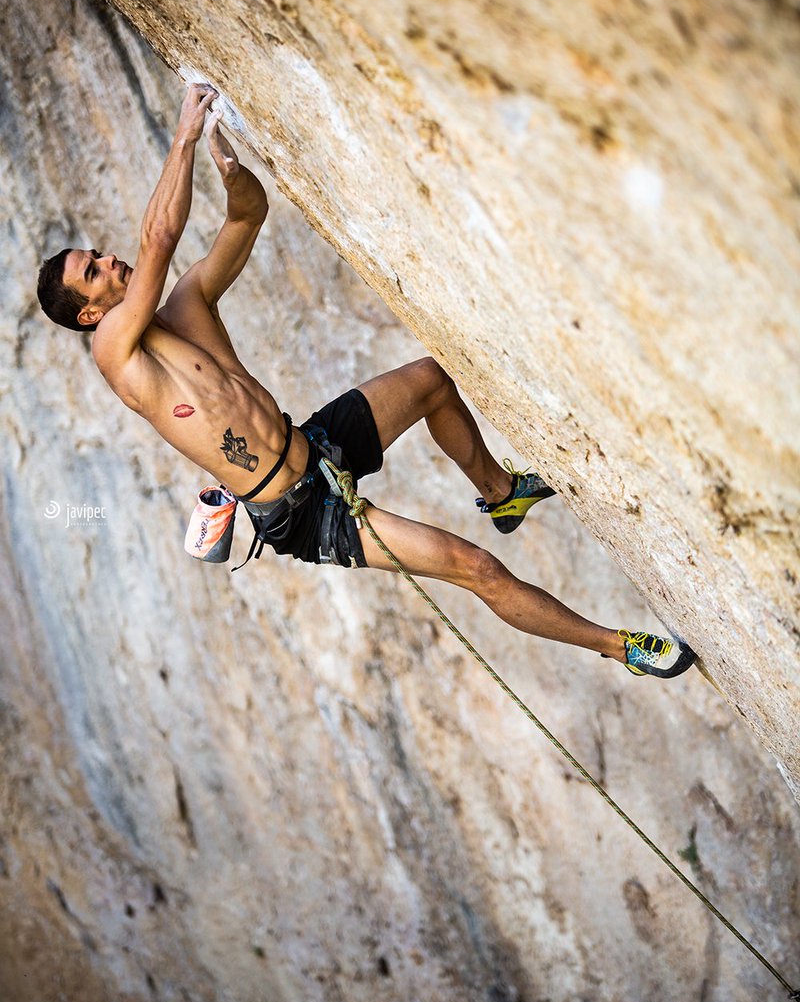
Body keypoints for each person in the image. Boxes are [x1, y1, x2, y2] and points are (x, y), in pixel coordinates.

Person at [37, 83, 696, 679]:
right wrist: (182, 138)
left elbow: (246, 220)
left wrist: (232, 175)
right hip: (304, 512)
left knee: (433, 380)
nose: (107, 259)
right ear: (91, 315)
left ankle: (500, 494)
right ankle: (619, 646)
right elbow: (158, 241)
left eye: (95, 254)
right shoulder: (116, 355)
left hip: (315, 447)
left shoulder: (186, 306)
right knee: (476, 570)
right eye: (92, 272)